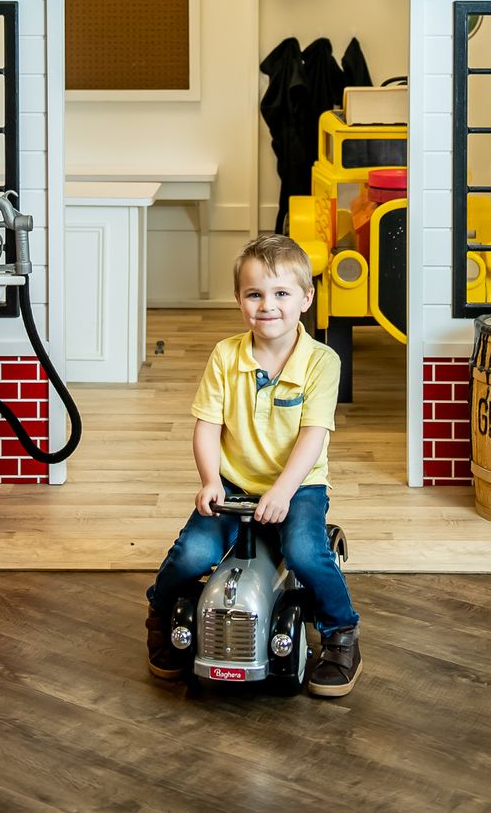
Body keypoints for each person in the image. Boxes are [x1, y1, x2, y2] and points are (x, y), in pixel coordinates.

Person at [145, 232, 361, 697]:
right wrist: (209, 480)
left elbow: (313, 435)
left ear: (306, 298)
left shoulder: (323, 361)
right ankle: (159, 613)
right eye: (255, 294)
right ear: (239, 300)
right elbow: (206, 426)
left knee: (305, 551)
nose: (268, 305)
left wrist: (283, 491)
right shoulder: (226, 356)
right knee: (193, 554)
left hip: (297, 485)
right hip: (233, 481)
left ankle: (342, 633)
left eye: (282, 293)